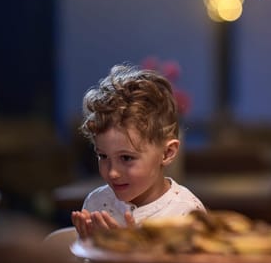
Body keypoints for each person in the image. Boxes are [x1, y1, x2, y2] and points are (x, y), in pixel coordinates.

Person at [71, 64, 205, 239]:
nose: (112, 172)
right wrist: (89, 245)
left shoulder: (187, 214)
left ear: (167, 153)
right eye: (103, 156)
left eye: (126, 158)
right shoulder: (96, 203)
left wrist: (131, 250)